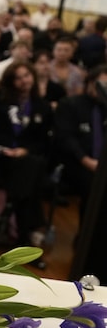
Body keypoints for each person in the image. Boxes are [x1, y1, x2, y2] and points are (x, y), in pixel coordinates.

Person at [0, 62, 52, 245]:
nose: (23, 81)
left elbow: (43, 142)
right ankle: (31, 230)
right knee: (33, 168)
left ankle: (15, 220)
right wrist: (9, 150)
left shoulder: (42, 106)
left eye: (27, 76)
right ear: (10, 81)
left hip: (26, 158)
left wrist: (24, 150)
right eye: (18, 77)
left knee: (31, 164)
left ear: (33, 77)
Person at [54, 66, 107, 220]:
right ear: (90, 82)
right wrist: (86, 160)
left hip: (101, 164)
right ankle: (85, 237)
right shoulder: (70, 104)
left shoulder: (105, 108)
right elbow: (65, 139)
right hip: (74, 162)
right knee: (94, 186)